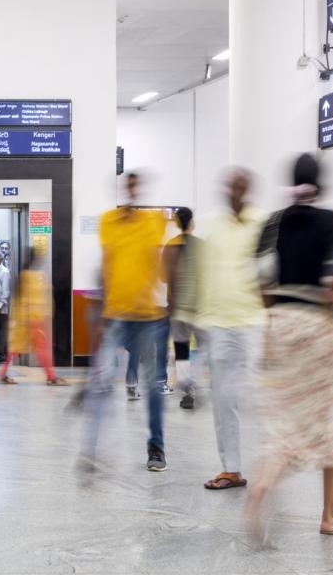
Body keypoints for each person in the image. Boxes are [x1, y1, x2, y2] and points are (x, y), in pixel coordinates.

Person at [243, 154, 333, 540]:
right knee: (328, 423)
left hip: (281, 324)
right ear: (320, 183)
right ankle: (328, 516)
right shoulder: (332, 221)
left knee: (283, 421)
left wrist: (273, 324)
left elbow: (261, 285)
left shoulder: (272, 223)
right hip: (320, 328)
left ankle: (261, 484)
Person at [83, 172, 169, 472]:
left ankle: (156, 448)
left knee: (154, 388)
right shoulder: (108, 221)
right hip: (115, 317)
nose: (133, 189)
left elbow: (163, 267)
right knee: (100, 383)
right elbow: (105, 267)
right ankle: (90, 450)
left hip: (147, 318)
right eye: (128, 185)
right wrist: (98, 315)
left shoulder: (156, 221)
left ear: (142, 189)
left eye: (137, 185)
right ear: (123, 189)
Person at [195, 173, 266, 491]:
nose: (234, 190)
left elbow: (270, 271)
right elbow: (203, 272)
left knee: (258, 397)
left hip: (254, 323)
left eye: (240, 185)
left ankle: (269, 466)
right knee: (224, 399)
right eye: (230, 185)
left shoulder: (262, 223)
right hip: (218, 323)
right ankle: (231, 469)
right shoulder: (212, 225)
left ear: (248, 189)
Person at [163, 207, 207, 411]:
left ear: (177, 224)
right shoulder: (202, 245)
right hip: (199, 308)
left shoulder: (170, 247)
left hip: (177, 307)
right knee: (206, 348)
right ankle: (194, 383)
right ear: (192, 223)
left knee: (181, 350)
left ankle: (187, 390)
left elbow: (164, 277)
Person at [3, 247, 67, 386]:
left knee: (16, 348)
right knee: (42, 349)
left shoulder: (25, 275)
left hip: (26, 320)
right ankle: (51, 377)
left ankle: (3, 374)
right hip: (34, 319)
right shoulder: (33, 276)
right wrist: (44, 317)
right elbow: (37, 300)